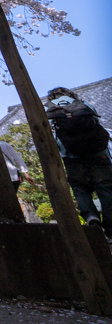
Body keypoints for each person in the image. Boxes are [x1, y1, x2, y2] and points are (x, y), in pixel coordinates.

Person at [46, 86, 112, 237]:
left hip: (71, 157)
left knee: (80, 188)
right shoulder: (83, 104)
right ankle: (111, 231)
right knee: (106, 190)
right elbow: (97, 124)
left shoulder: (49, 109)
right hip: (98, 154)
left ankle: (91, 217)